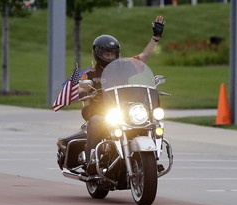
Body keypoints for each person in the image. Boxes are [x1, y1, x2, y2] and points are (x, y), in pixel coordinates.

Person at [57, 16, 165, 172]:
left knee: (151, 122)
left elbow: (144, 57)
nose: (110, 56)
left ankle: (150, 161)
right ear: (98, 53)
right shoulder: (90, 74)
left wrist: (155, 38)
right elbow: (80, 88)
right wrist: (84, 89)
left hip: (125, 109)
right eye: (106, 54)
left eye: (112, 53)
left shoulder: (125, 65)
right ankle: (91, 160)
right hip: (103, 111)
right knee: (95, 121)